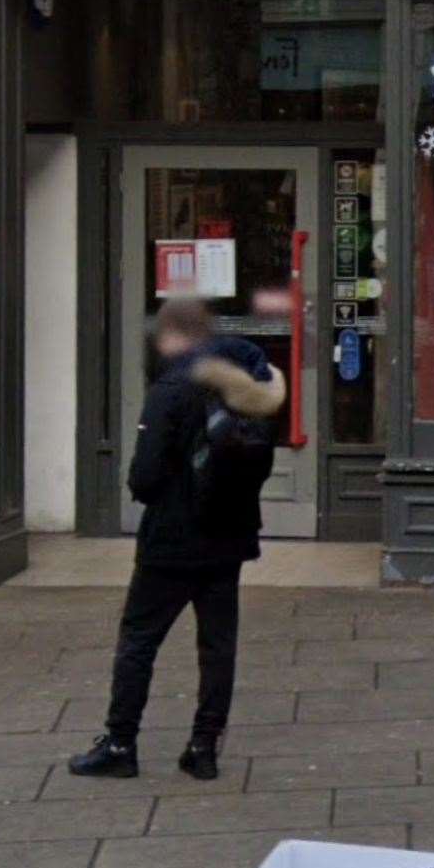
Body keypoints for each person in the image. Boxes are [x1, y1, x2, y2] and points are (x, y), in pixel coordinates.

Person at [69, 298, 284, 780]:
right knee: (218, 646)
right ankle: (203, 748)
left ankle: (121, 744)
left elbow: (143, 478)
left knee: (139, 640)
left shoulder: (171, 388)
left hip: (171, 540)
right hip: (229, 537)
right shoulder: (252, 386)